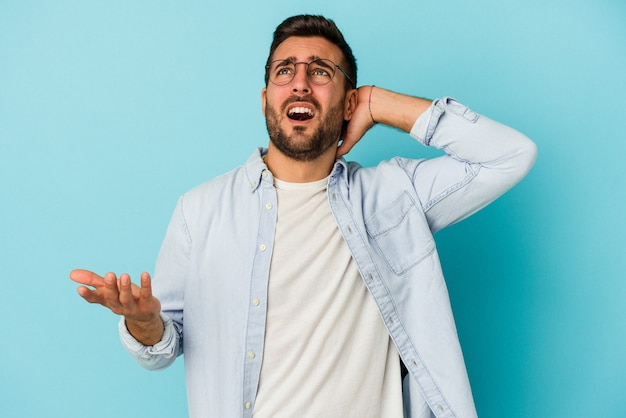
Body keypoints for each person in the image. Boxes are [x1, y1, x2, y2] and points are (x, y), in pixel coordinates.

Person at [71, 14, 537, 418]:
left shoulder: (395, 195)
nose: (299, 83)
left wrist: (379, 103)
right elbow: (161, 348)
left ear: (347, 101)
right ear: (265, 98)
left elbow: (510, 156)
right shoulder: (202, 209)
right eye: (285, 71)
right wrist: (145, 321)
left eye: (320, 72)